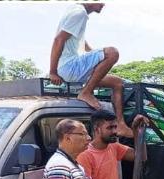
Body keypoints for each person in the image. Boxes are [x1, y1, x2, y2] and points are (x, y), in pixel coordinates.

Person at [48, 4, 130, 135]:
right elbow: (59, 39)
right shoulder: (79, 13)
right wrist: (52, 71)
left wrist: (98, 60)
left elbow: (81, 41)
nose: (104, 4)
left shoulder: (75, 9)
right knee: (112, 52)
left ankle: (120, 124)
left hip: (71, 67)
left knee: (117, 83)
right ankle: (86, 92)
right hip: (70, 66)